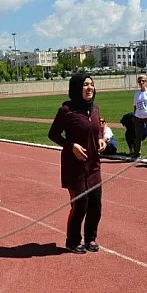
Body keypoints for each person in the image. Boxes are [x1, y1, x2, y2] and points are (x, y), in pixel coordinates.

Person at [48, 73, 106, 254]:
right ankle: (73, 240)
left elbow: (95, 131)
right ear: (76, 88)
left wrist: (101, 140)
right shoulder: (66, 110)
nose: (89, 88)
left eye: (91, 84)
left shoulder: (95, 110)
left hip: (94, 166)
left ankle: (91, 238)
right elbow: (53, 134)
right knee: (81, 204)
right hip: (75, 167)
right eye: (85, 85)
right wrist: (71, 145)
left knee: (95, 204)